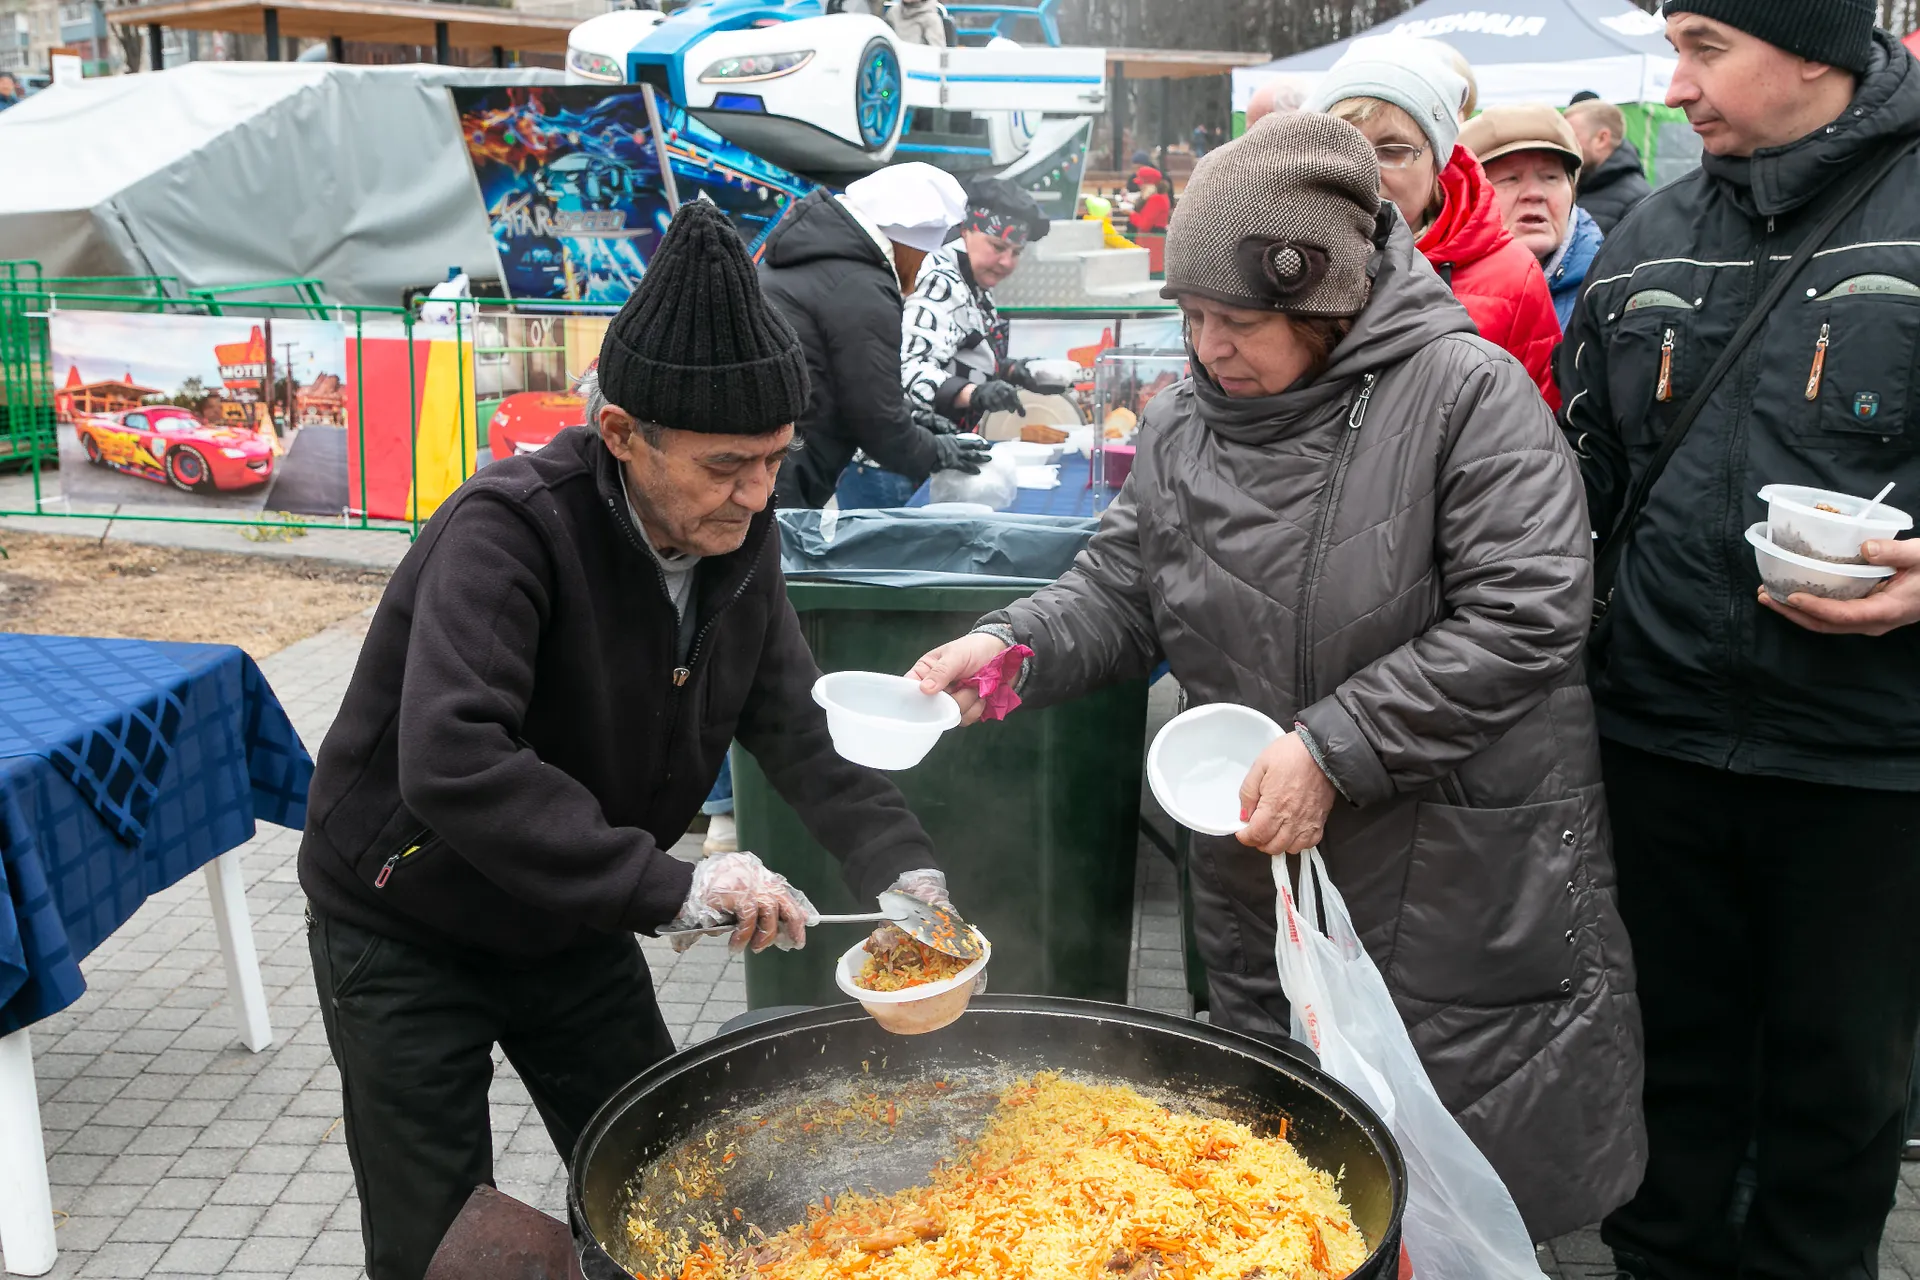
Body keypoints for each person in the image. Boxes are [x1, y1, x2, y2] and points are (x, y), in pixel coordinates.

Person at [912, 110, 1645, 1243]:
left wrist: (1334, 747)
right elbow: (1122, 584)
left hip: (1449, 861)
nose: (1208, 349)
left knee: (1435, 1183)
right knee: (1286, 1186)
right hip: (1258, 859)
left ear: (1327, 301)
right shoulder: (1183, 425)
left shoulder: (1466, 397)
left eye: (1238, 321)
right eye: (1193, 315)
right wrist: (1012, 647)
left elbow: (1529, 610)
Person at [298, 202, 961, 1280]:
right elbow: (455, 756)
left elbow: (794, 719)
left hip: (568, 912)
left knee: (680, 1175)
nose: (758, 495)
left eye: (776, 459)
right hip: (407, 915)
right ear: (621, 435)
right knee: (440, 1240)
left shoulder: (739, 542)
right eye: (727, 464)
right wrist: (671, 884)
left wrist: (904, 866)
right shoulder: (508, 530)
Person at [1557, 2, 1920, 1275]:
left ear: (1813, 49)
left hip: (1870, 757)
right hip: (1656, 735)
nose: (1676, 84)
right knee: (1666, 1059)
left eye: (1707, 47)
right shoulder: (1650, 236)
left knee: (1841, 1083)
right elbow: (1576, 474)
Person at [1309, 42, 1563, 408]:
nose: (1363, 169)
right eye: (1344, 145)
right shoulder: (1287, 252)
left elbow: (1533, 429)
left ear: (1437, 161)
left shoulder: (1511, 276)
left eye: (1393, 150)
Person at [760, 163, 986, 509]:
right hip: (786, 469)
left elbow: (849, 382)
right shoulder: (863, 285)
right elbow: (876, 424)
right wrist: (938, 451)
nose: (922, 267)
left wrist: (913, 414)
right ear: (907, 243)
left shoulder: (817, 258)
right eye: (923, 255)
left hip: (768, 458)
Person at [876, 178, 1054, 499]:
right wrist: (975, 394)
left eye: (1016, 253)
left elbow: (961, 352)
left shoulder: (972, 282)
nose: (1007, 263)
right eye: (998, 248)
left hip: (927, 453)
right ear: (966, 230)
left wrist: (1013, 372)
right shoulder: (940, 281)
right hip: (892, 468)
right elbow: (907, 370)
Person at [1462, 103, 1606, 329]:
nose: (1535, 194)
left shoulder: (1608, 290)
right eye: (1510, 178)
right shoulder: (1434, 290)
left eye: (1550, 177)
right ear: (1470, 196)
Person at [1565, 98, 1653, 233]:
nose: (1565, 146)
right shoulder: (1575, 186)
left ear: (1602, 139)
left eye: (1572, 138)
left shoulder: (1638, 201)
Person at [1127, 166, 1172, 234]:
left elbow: (1144, 225)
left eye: (1141, 184)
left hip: (1152, 241)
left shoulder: (1157, 199)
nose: (1140, 186)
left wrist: (1131, 214)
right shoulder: (1156, 196)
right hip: (1149, 239)